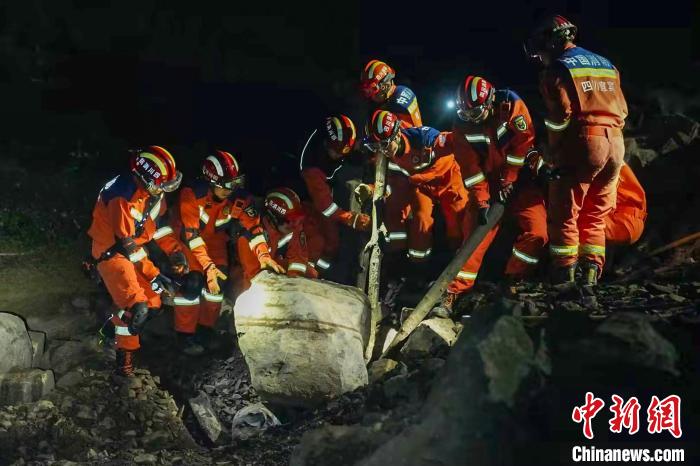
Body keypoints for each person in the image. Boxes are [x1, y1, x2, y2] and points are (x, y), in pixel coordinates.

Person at [526, 14, 628, 285]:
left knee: (564, 214)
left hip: (583, 143)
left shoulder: (557, 69)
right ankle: (591, 275)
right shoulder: (606, 64)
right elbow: (623, 109)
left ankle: (565, 277)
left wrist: (552, 151)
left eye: (539, 52)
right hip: (616, 144)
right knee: (596, 214)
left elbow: (560, 116)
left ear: (549, 43)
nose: (539, 58)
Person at [435, 75, 544, 315]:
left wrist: (511, 178)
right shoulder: (462, 125)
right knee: (473, 240)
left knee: (537, 233)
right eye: (466, 114)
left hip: (522, 183)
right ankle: (452, 293)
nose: (470, 119)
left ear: (489, 102)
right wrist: (482, 201)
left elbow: (524, 143)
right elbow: (471, 169)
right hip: (489, 185)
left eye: (475, 113)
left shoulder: (511, 106)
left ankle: (513, 281)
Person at [170, 150, 284, 355]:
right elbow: (191, 235)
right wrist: (208, 267)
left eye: (235, 183)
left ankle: (205, 330)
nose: (231, 190)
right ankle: (184, 335)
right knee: (193, 283)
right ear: (211, 182)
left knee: (217, 287)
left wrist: (264, 255)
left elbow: (253, 229)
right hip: (190, 243)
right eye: (226, 185)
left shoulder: (239, 199)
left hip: (215, 242)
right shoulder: (192, 195)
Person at [88, 146, 183, 377]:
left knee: (154, 302)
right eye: (160, 184)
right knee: (136, 307)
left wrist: (175, 251)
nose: (163, 190)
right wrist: (154, 274)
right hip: (111, 254)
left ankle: (108, 329)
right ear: (145, 179)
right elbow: (126, 245)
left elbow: (158, 228)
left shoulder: (153, 195)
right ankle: (124, 367)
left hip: (133, 253)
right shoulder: (121, 197)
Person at [365, 110, 468, 264]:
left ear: (397, 134)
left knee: (458, 219)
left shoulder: (424, 139)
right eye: (376, 146)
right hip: (423, 186)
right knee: (421, 219)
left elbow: (457, 140)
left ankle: (458, 261)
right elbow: (390, 184)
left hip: (448, 179)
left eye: (385, 144)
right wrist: (370, 189)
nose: (383, 150)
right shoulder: (386, 158)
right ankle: (417, 267)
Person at [359, 59, 433, 259]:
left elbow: (395, 142)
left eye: (372, 88)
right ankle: (397, 263)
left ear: (384, 83)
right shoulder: (387, 102)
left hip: (414, 170)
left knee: (421, 218)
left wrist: (376, 160)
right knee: (392, 216)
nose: (370, 94)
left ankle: (418, 269)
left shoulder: (398, 104)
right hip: (399, 172)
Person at [300, 115, 370, 274]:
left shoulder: (339, 134)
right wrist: (351, 218)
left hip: (325, 185)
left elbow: (351, 149)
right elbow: (325, 207)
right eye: (338, 152)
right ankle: (317, 275)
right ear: (326, 145)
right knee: (325, 241)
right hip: (306, 200)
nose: (341, 155)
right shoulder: (312, 167)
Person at [236, 187, 319, 290]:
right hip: (244, 270)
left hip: (272, 263)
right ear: (274, 218)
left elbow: (298, 259)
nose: (295, 224)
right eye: (290, 220)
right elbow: (253, 275)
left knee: (310, 272)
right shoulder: (250, 236)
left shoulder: (293, 226)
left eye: (298, 219)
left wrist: (294, 283)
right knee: (246, 290)